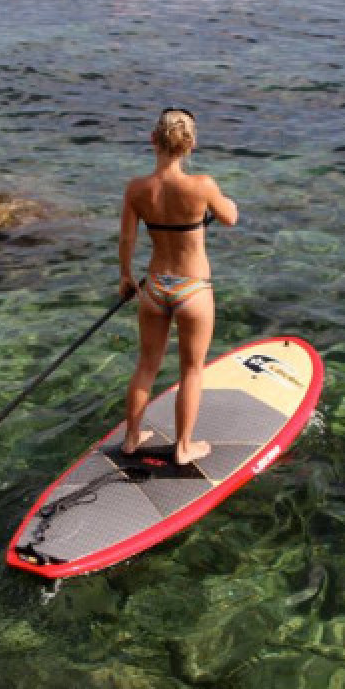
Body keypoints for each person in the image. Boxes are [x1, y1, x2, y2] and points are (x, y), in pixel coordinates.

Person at [118, 108, 239, 465]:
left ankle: (131, 438)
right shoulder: (202, 185)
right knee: (191, 370)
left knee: (146, 366)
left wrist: (126, 276)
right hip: (193, 289)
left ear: (152, 139)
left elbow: (127, 239)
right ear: (190, 145)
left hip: (155, 287)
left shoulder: (137, 189)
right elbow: (229, 218)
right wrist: (228, 204)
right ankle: (184, 447)